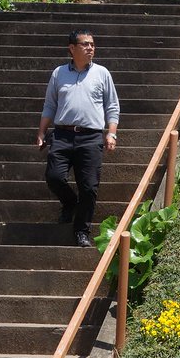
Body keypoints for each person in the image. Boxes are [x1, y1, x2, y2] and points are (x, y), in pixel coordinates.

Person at [36, 29, 120, 247]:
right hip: (62, 134)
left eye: (92, 44)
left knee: (89, 188)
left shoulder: (102, 73)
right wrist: (41, 132)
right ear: (72, 48)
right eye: (85, 44)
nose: (90, 48)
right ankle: (69, 202)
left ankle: (81, 231)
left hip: (91, 137)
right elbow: (50, 105)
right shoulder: (58, 73)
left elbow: (112, 106)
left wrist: (111, 133)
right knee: (54, 177)